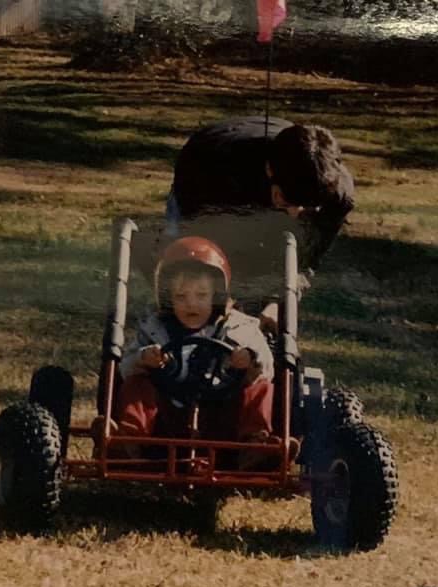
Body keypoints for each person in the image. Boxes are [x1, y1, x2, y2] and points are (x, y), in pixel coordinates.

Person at [98, 236, 291, 470]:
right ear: (168, 299)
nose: (192, 304)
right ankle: (127, 443)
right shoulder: (154, 329)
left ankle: (255, 447)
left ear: (217, 297)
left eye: (201, 296)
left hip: (224, 420)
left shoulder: (240, 328)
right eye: (181, 297)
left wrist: (250, 359)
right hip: (166, 420)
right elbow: (124, 368)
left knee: (260, 388)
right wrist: (143, 359)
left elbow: (267, 370)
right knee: (138, 383)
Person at [153, 116, 356, 331]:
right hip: (204, 168)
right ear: (270, 170)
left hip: (249, 180)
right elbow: (205, 247)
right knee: (189, 279)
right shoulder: (215, 174)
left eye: (306, 209)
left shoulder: (337, 197)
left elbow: (305, 262)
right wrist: (225, 297)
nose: (295, 215)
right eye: (285, 201)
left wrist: (280, 303)